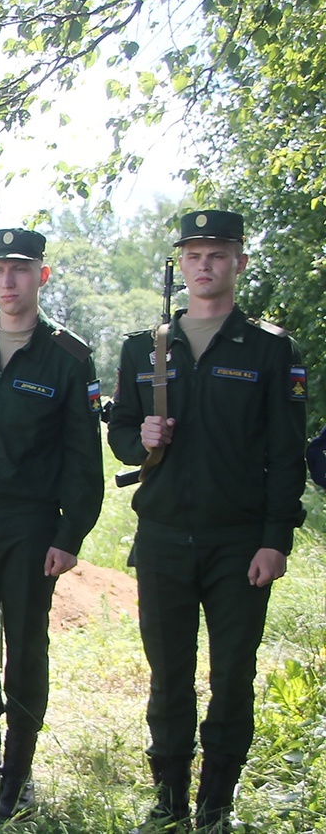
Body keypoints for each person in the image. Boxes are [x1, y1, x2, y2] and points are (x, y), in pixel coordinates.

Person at [108, 210, 307, 833]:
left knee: (231, 678)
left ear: (239, 262)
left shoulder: (271, 348)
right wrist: (139, 438)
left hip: (237, 543)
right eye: (193, 255)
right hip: (163, 535)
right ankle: (167, 801)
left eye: (217, 254)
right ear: (181, 264)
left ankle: (215, 805)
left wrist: (276, 539)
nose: (204, 265)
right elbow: (118, 438)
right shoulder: (146, 346)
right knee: (169, 677)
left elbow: (286, 451)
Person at [0, 227, 103, 817]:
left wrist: (70, 534)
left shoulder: (68, 356)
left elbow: (85, 457)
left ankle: (19, 774)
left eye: (21, 270)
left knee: (26, 648)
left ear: (41, 277)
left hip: (28, 524)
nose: (9, 281)